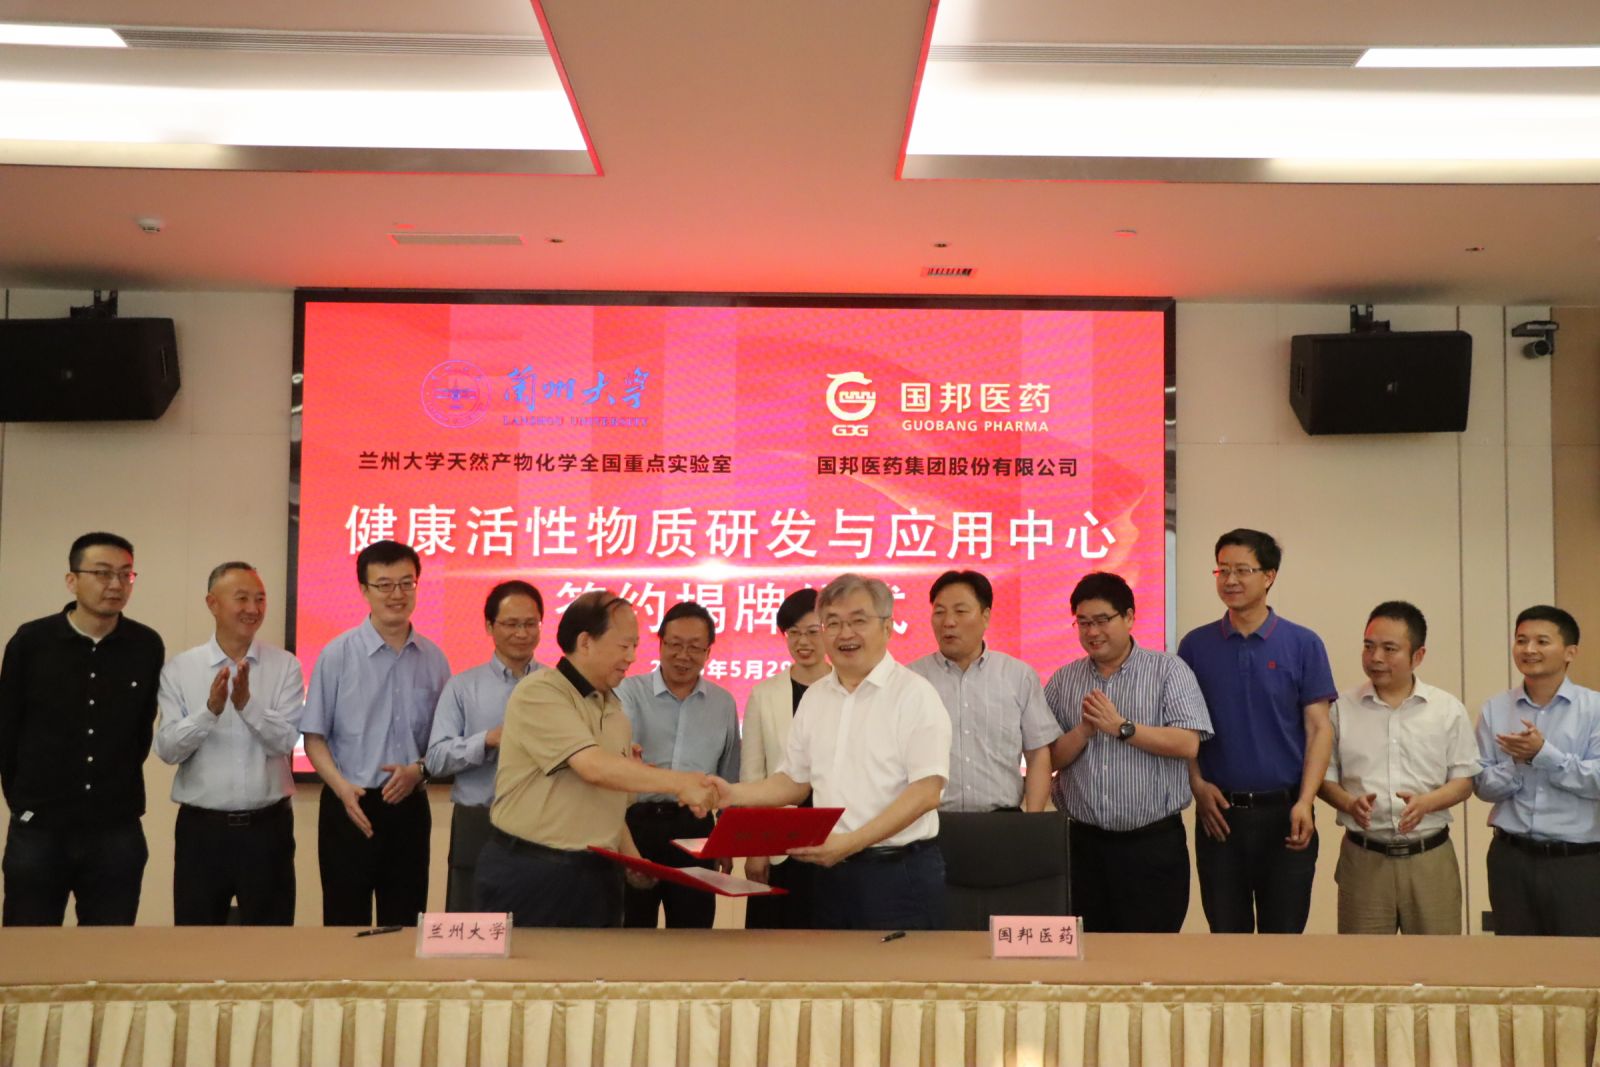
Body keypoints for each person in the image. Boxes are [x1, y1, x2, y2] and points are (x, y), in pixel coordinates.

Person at [715, 573, 951, 930]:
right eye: (834, 623)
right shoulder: (816, 698)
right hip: (830, 874)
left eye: (858, 621)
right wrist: (732, 794)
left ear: (887, 627)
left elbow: (926, 792)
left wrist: (851, 843)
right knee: (831, 966)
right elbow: (794, 782)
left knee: (901, 968)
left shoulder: (915, 695)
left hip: (897, 874)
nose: (845, 634)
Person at [476, 591, 720, 927]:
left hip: (598, 875)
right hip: (533, 870)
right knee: (529, 964)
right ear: (585, 642)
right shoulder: (541, 692)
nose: (632, 657)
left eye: (635, 646)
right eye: (624, 646)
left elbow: (607, 797)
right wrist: (682, 783)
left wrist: (632, 859)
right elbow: (592, 767)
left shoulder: (614, 709)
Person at [0, 532, 164, 926]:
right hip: (40, 828)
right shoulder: (31, 642)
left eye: (126, 574)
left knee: (109, 950)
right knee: (30, 946)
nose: (116, 585)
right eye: (103, 573)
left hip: (116, 828)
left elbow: (141, 731)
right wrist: (22, 803)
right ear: (72, 580)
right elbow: (7, 728)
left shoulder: (145, 645)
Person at [1177, 528, 1336, 933]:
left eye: (1242, 570)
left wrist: (1305, 802)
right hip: (1219, 816)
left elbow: (1319, 729)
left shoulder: (1303, 644)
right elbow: (1184, 729)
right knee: (1226, 940)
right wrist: (1197, 785)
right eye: (1222, 570)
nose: (1230, 580)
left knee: (1283, 941)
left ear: (1269, 576)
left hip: (1287, 815)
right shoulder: (1195, 646)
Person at [1046, 571, 1212, 932]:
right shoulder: (1063, 680)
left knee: (1150, 953)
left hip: (1152, 845)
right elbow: (1048, 759)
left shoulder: (1168, 670)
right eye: (1083, 622)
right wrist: (1085, 730)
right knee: (1089, 952)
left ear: (1129, 617)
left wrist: (1122, 728)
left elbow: (1187, 743)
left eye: (1102, 620)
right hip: (1083, 845)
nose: (1092, 632)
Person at [301, 540, 450, 927]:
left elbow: (443, 742)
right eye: (384, 585)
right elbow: (314, 737)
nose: (396, 594)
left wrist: (418, 770)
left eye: (406, 583)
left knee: (404, 924)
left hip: (409, 806)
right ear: (364, 590)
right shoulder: (337, 654)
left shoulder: (435, 659)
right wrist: (341, 788)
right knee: (344, 924)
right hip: (350, 804)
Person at [155, 562, 305, 925]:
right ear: (212, 603)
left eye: (260, 599)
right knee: (196, 941)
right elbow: (168, 750)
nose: (253, 609)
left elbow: (286, 740)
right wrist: (209, 711)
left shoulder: (285, 666)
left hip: (267, 830)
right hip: (201, 832)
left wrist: (246, 705)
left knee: (271, 942)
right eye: (242, 598)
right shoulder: (181, 669)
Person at [1318, 601, 1478, 935]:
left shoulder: (1446, 709)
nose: (1375, 657)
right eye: (1369, 646)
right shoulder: (1341, 709)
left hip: (1429, 858)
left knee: (1436, 962)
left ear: (1418, 656)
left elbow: (1464, 780)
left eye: (1389, 649)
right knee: (1364, 964)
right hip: (1364, 858)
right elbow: (1324, 777)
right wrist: (1348, 803)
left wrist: (1427, 803)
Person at [1476, 605, 1600, 936]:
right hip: (1510, 857)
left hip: (1578, 861)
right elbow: (1483, 786)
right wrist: (1518, 764)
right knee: (1516, 958)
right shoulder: (1495, 708)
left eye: (1542, 641)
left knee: (1579, 959)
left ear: (1570, 652)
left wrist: (1544, 755)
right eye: (1521, 640)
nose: (1529, 649)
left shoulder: (1594, 709)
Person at [616, 602, 740, 928]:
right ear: (660, 644)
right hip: (638, 824)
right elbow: (618, 760)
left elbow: (729, 776)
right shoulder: (628, 692)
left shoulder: (723, 703)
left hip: (695, 828)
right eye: (675, 644)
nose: (683, 656)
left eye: (695, 647)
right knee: (631, 930)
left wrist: (726, 842)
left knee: (693, 932)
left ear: (708, 652)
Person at [425, 580, 545, 912]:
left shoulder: (556, 686)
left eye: (530, 624)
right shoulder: (463, 687)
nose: (521, 633)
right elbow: (436, 759)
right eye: (511, 623)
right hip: (479, 821)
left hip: (541, 823)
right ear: (490, 626)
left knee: (536, 925)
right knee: (470, 923)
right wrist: (487, 740)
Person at [910, 570, 1059, 813]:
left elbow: (1038, 754)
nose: (948, 622)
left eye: (960, 611)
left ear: (985, 616)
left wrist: (1032, 821)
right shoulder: (912, 679)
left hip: (1002, 820)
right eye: (939, 612)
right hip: (931, 821)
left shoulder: (1018, 676)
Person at [741, 588, 827, 929]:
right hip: (778, 842)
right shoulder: (764, 694)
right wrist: (755, 848)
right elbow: (752, 777)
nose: (803, 642)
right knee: (771, 940)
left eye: (812, 631)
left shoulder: (848, 689)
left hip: (835, 836)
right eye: (793, 632)